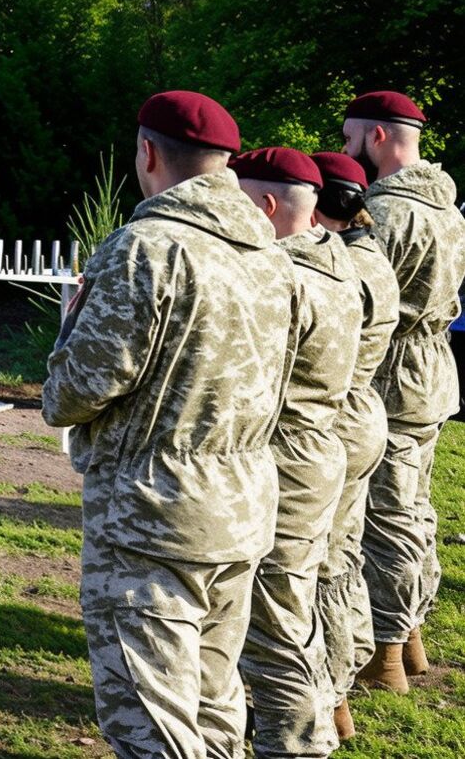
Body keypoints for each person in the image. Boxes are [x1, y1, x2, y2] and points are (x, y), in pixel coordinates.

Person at [42, 92, 295, 758]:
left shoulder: (145, 249)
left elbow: (75, 392)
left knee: (153, 725)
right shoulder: (271, 254)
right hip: (240, 513)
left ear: (147, 154)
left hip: (151, 521)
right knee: (214, 717)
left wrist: (69, 331)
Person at [230, 148, 357, 758]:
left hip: (284, 456)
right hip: (317, 448)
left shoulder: (282, 278)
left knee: (275, 619)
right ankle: (323, 717)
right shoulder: (337, 264)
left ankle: (298, 745)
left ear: (267, 205)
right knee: (294, 601)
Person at [343, 91, 465, 691]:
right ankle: (411, 636)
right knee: (414, 506)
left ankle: (386, 652)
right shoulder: (445, 203)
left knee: (386, 514)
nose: (346, 150)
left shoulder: (390, 211)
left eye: (349, 138)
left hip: (392, 370)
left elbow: (365, 299)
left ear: (378, 137)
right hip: (433, 366)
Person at [311, 149, 397, 740]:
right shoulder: (372, 257)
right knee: (341, 559)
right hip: (364, 413)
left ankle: (330, 690)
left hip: (333, 419)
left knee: (318, 570)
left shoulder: (338, 267)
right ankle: (342, 690)